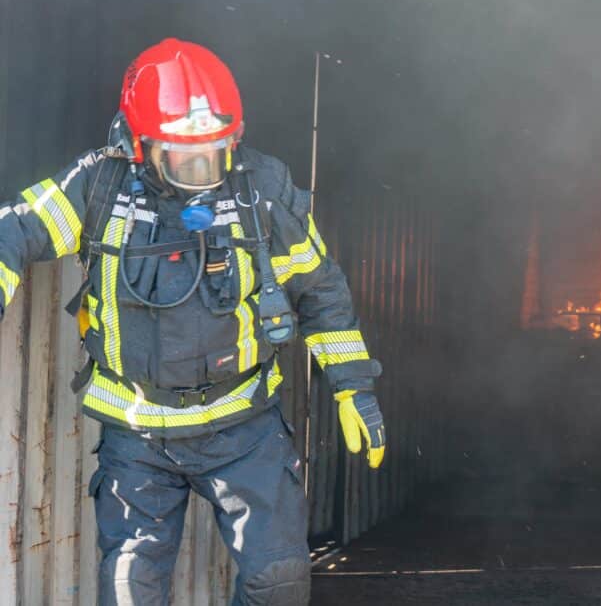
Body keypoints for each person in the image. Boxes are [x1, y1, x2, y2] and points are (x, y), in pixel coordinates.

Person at [0, 38, 385, 604]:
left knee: (277, 581)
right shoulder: (100, 186)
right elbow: (15, 228)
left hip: (245, 427)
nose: (204, 170)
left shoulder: (264, 191)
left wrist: (355, 386)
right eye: (184, 157)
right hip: (138, 436)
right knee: (131, 590)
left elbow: (319, 288)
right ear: (138, 145)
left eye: (216, 152)